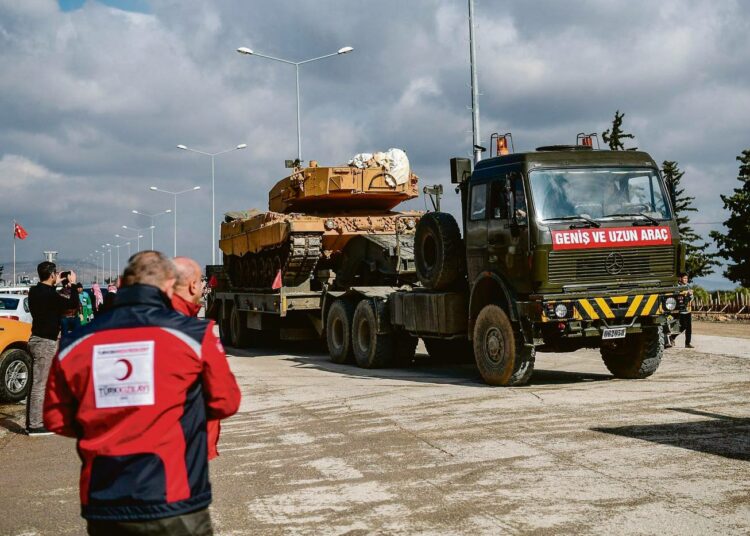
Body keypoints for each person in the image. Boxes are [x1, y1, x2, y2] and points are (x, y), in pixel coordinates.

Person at [44, 251, 241, 535]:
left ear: (122, 283)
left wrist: (106, 421)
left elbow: (56, 419)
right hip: (176, 499)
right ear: (168, 285)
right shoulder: (195, 336)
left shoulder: (76, 344)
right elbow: (226, 402)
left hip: (104, 501)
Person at [172, 257, 222, 461]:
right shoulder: (199, 333)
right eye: (201, 281)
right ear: (193, 286)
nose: (204, 285)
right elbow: (223, 397)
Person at [25, 262, 79, 436]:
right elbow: (71, 305)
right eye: (55, 273)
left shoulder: (35, 292)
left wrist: (61, 281)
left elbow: (54, 299)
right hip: (45, 342)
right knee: (40, 384)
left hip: (37, 339)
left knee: (40, 382)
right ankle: (34, 424)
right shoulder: (49, 295)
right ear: (51, 275)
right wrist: (71, 284)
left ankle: (36, 420)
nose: (58, 275)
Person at [677, 272, 694, 348]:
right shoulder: (677, 287)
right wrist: (686, 294)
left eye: (686, 278)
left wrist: (690, 295)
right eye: (684, 278)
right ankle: (672, 337)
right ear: (680, 279)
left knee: (689, 328)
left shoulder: (688, 287)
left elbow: (692, 298)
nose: (686, 280)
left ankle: (687, 343)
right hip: (681, 310)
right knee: (683, 326)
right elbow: (677, 297)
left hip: (688, 309)